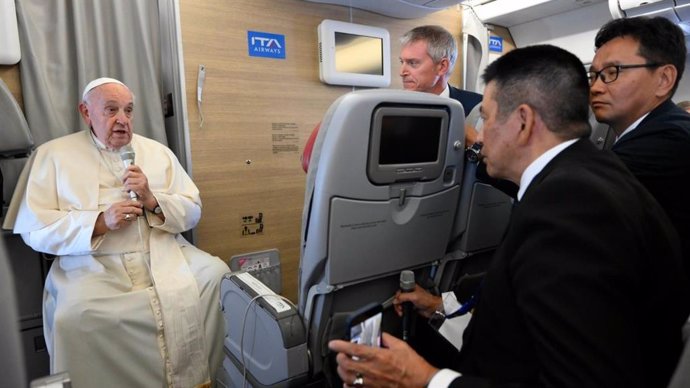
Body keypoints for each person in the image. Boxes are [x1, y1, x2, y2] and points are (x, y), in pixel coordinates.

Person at [329, 45, 690, 388]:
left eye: (485, 118)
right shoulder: (585, 175)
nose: (480, 137)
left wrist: (424, 379)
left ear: (522, 122)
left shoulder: (570, 210)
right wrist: (443, 307)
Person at [4, 77, 229, 388]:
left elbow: (193, 209)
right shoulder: (53, 155)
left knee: (217, 275)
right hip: (91, 263)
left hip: (161, 253)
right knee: (74, 316)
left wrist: (153, 199)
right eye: (111, 110)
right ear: (86, 112)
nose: (122, 119)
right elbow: (35, 230)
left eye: (128, 110)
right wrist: (99, 222)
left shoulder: (158, 153)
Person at [302, 25, 482, 173]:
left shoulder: (477, 109)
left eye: (412, 63)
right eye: (401, 62)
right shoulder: (388, 111)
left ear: (442, 66)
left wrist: (477, 146)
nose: (402, 72)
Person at [589, 16, 690, 280]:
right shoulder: (653, 129)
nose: (596, 87)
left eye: (612, 73)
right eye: (594, 75)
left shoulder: (670, 139)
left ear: (664, 79)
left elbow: (574, 187)